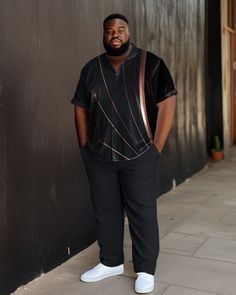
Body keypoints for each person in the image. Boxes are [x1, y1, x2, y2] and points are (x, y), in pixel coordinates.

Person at [71, 13, 177, 294]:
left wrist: (156, 148)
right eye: (109, 30)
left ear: (129, 33)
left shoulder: (151, 63)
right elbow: (80, 106)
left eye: (120, 29)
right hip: (99, 156)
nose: (114, 34)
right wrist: (85, 147)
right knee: (105, 212)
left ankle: (145, 268)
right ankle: (111, 262)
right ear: (104, 35)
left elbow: (168, 102)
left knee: (142, 211)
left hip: (140, 154)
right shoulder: (91, 69)